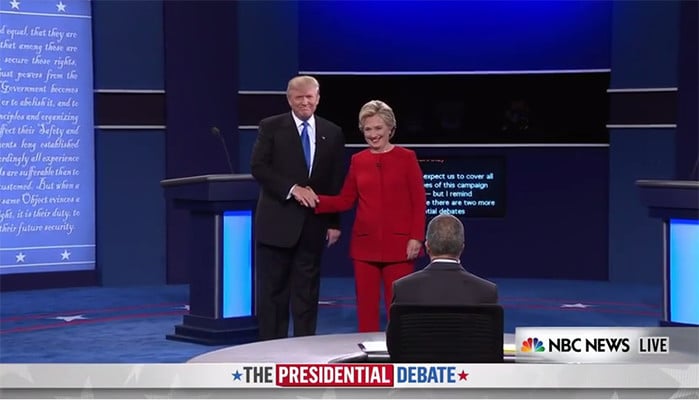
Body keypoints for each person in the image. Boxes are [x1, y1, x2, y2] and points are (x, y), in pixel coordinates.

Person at [313, 100, 426, 332]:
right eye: (368, 129)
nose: (373, 135)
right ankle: (369, 360)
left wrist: (416, 237)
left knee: (399, 307)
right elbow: (345, 199)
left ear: (390, 129)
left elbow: (419, 200)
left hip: (400, 245)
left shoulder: (406, 158)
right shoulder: (358, 160)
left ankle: (400, 354)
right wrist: (313, 200)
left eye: (378, 128)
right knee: (366, 309)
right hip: (365, 246)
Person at [250, 75, 345, 340]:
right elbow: (259, 167)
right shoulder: (271, 127)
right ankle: (270, 349)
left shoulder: (332, 132)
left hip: (313, 225)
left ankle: (304, 348)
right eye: (298, 97)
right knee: (273, 293)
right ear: (289, 99)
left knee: (307, 293)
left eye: (309, 97)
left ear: (318, 98)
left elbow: (335, 181)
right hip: (276, 224)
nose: (304, 102)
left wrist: (334, 222)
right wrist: (293, 189)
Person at [390, 214, 498, 306]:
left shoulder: (403, 289)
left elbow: (397, 330)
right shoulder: (487, 291)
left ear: (427, 246)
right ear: (462, 248)